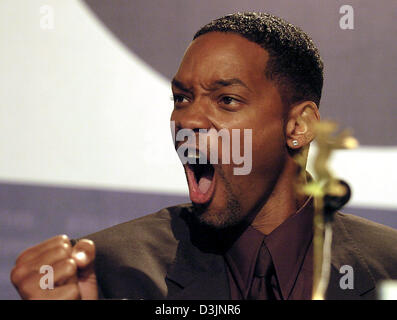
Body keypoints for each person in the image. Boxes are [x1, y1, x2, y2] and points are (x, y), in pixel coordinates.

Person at [10, 12, 397, 300]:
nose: (188, 119)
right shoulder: (107, 272)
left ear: (298, 126)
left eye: (226, 99)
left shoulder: (387, 267)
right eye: (181, 98)